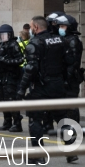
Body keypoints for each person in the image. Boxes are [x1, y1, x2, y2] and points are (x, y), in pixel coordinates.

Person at [18, 16, 71, 165]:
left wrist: (21, 89)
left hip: (41, 86)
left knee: (35, 119)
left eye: (30, 26)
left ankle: (38, 154)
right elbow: (68, 63)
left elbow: (31, 68)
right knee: (62, 118)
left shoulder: (35, 43)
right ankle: (72, 152)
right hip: (58, 84)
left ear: (35, 27)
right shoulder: (60, 40)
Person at [0, 24, 23, 132]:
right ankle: (7, 122)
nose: (2, 37)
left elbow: (20, 60)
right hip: (2, 76)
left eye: (4, 35)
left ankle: (17, 123)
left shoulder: (13, 45)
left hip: (11, 76)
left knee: (11, 100)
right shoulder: (2, 45)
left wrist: (5, 61)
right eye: (1, 35)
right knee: (2, 100)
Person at [56, 14, 83, 124]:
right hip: (64, 76)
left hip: (70, 78)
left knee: (70, 104)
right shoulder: (64, 39)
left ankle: (73, 126)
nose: (61, 28)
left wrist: (67, 78)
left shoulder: (73, 41)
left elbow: (74, 62)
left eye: (63, 26)